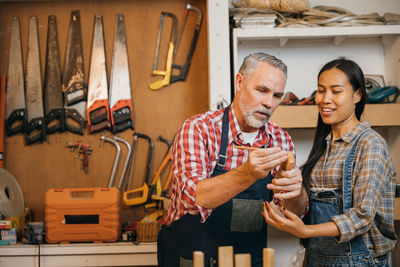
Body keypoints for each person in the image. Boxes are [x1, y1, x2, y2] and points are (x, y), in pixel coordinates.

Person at [157, 52, 308, 267]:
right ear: (240, 82)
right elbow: (193, 199)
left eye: (277, 96)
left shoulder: (280, 139)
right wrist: (248, 173)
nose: (268, 103)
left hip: (247, 260)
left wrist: (296, 190)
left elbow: (294, 212)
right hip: (192, 258)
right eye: (262, 90)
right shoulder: (199, 129)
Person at [263, 58, 398, 266]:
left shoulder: (370, 144)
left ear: (357, 95)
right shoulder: (324, 147)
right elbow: (307, 207)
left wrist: (305, 231)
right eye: (320, 90)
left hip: (359, 261)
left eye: (336, 91)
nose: (325, 99)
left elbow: (362, 216)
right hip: (318, 259)